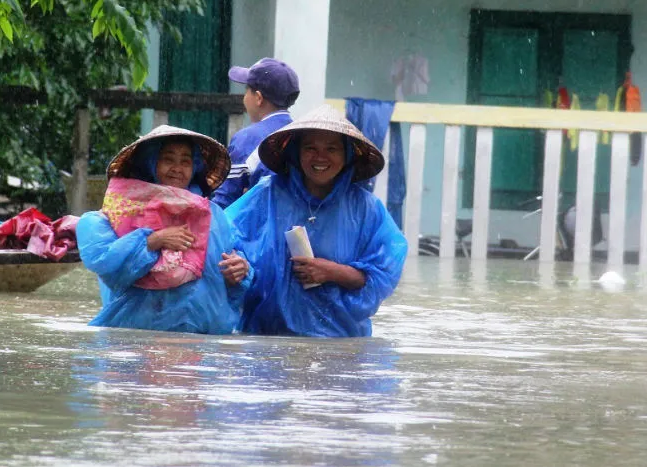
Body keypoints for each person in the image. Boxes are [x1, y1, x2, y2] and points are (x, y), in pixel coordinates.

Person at [225, 105, 408, 338]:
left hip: (340, 343)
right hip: (266, 339)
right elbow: (224, 235)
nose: (320, 157)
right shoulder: (267, 194)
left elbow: (383, 276)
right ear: (296, 152)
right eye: (310, 148)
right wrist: (239, 266)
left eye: (331, 149)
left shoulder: (366, 209)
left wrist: (332, 272)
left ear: (347, 155)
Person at [76, 125, 252, 334]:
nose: (177, 168)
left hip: (202, 343)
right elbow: (107, 266)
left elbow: (233, 266)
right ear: (150, 163)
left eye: (185, 161)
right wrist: (153, 241)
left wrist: (240, 271)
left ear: (194, 167)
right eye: (168, 159)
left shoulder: (215, 216)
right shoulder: (119, 215)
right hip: (137, 340)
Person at [210, 57, 300, 209]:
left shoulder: (247, 138)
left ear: (258, 98)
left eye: (246, 90)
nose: (244, 98)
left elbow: (226, 200)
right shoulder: (300, 133)